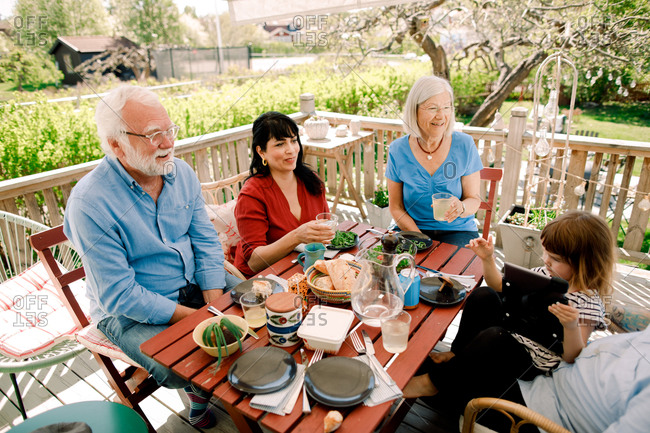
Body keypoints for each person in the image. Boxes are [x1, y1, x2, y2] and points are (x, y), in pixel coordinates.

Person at [64, 85, 241, 428]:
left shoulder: (182, 174)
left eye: (170, 130)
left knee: (256, 305)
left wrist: (212, 305)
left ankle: (212, 388)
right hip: (127, 312)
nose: (168, 143)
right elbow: (119, 294)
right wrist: (198, 320)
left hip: (192, 282)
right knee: (180, 366)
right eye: (153, 135)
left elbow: (204, 241)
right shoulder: (89, 203)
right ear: (116, 145)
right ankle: (199, 390)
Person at [403, 211, 615, 413]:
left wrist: (570, 326)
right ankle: (458, 354)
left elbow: (573, 356)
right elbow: (499, 286)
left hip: (533, 359)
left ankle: (430, 383)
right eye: (545, 253)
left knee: (496, 337)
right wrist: (487, 259)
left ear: (584, 263)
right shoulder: (544, 275)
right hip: (513, 331)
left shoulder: (588, 304)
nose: (546, 260)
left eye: (556, 259)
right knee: (483, 296)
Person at [385, 75, 483, 247]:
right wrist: (419, 238)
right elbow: (396, 207)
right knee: (400, 271)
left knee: (451, 274)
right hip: (413, 229)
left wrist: (461, 207)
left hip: (458, 230)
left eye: (446, 107)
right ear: (414, 110)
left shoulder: (465, 144)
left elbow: (474, 200)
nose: (441, 116)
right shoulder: (397, 150)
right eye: (433, 108)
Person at [234, 111, 334, 277]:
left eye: (293, 141)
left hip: (303, 267)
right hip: (264, 278)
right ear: (261, 152)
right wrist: (297, 236)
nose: (291, 150)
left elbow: (324, 229)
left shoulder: (312, 182)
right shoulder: (252, 194)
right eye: (280, 144)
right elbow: (254, 262)